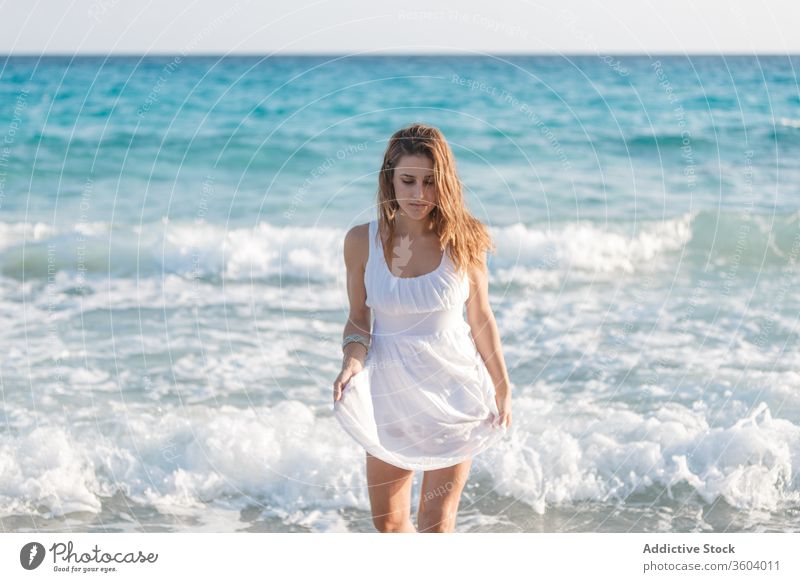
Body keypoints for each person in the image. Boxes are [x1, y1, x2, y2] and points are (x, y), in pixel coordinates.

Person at [332, 123, 513, 533]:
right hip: (389, 393)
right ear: (389, 179)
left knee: (435, 524)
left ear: (445, 181)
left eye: (430, 182)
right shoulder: (362, 242)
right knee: (390, 524)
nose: (418, 194)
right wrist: (351, 362)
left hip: (453, 391)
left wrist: (503, 386)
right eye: (408, 180)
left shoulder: (466, 238)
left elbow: (481, 318)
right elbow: (359, 318)